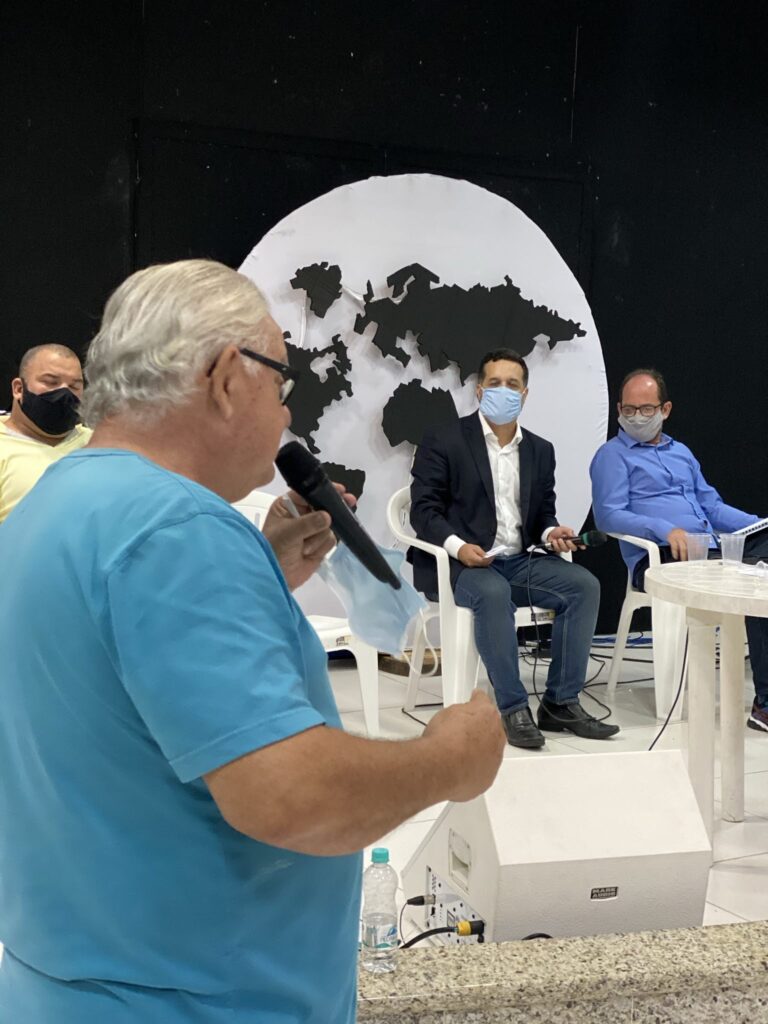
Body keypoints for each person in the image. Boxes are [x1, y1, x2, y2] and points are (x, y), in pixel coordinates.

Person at [0, 260, 505, 1024]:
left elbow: (109, 686)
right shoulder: (180, 530)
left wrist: (262, 572)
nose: (286, 415)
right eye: (281, 383)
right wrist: (450, 758)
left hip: (67, 981)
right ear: (227, 377)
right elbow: (291, 796)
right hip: (198, 1001)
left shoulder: (55, 504)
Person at [409, 348, 619, 749]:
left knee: (584, 586)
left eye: (512, 384)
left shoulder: (540, 450)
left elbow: (541, 516)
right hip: (461, 565)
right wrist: (458, 547)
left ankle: (560, 702)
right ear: (478, 390)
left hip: (518, 561)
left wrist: (552, 533)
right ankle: (512, 708)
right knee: (493, 592)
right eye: (494, 383)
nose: (503, 391)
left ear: (524, 394)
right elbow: (424, 510)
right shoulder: (445, 439)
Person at [590, 368, 768, 734]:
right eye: (629, 410)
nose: (637, 417)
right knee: (754, 582)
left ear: (665, 409)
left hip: (710, 549)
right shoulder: (612, 456)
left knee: (763, 564)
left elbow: (712, 506)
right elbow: (608, 515)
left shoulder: (681, 453)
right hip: (660, 558)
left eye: (646, 409)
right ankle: (765, 704)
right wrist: (663, 529)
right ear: (619, 410)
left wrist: (758, 523)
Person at [0, 344, 90, 523]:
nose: (64, 393)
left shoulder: (100, 442)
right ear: (19, 389)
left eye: (74, 386)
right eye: (51, 382)